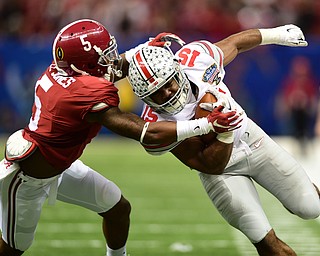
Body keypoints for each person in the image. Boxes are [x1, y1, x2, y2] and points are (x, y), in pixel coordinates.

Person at [0, 19, 239, 256]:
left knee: (118, 209)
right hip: (27, 179)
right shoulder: (80, 93)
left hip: (60, 166)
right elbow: (146, 132)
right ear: (84, 64)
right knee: (13, 249)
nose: (111, 59)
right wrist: (204, 125)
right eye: (103, 56)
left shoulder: (65, 72)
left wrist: (143, 50)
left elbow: (110, 68)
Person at [127, 24, 320, 256]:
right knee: (264, 239)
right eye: (156, 93)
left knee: (309, 207)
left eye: (168, 84)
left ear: (177, 70)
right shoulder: (156, 125)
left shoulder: (196, 60)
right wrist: (223, 130)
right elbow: (211, 165)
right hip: (221, 170)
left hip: (251, 139)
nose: (166, 94)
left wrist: (275, 34)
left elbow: (235, 43)